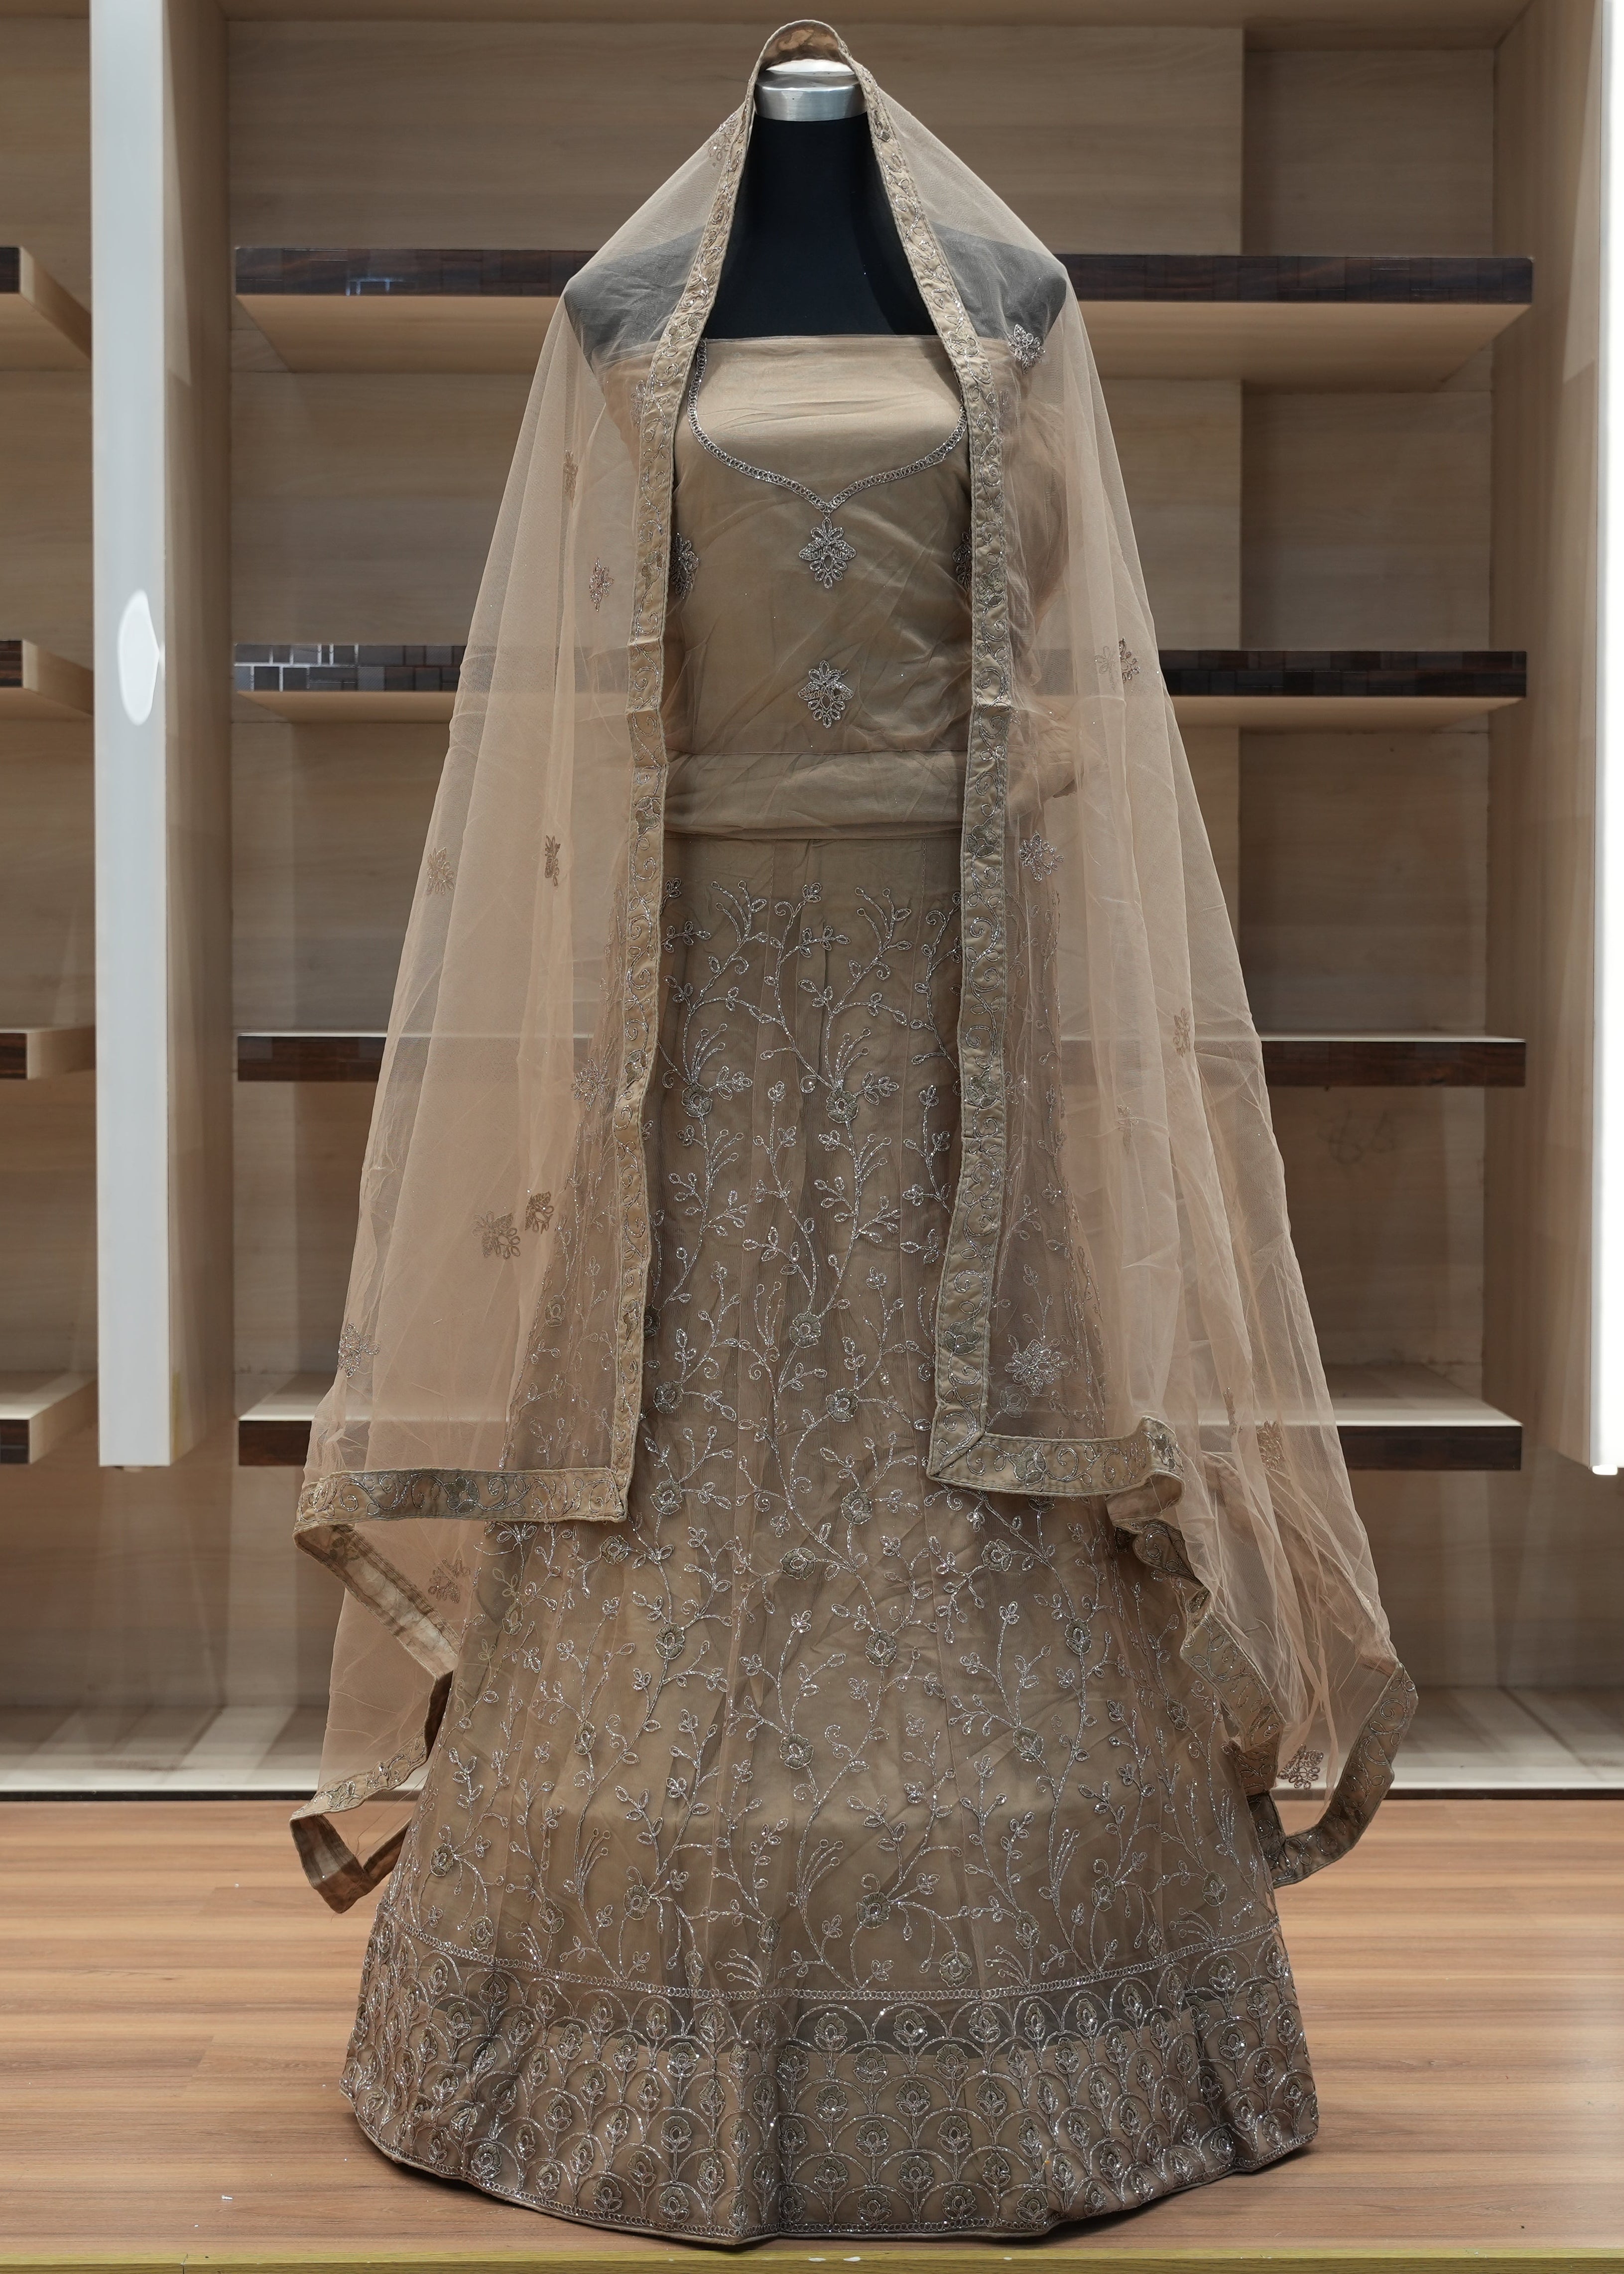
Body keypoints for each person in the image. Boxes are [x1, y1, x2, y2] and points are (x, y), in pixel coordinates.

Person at [292, 20, 1413, 2240]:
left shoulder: (1018, 313)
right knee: (685, 1421)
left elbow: (1076, 661)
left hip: (949, 993)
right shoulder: (620, 316)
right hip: (695, 982)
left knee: (967, 1418)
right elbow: (577, 688)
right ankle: (595, 2024)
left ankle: (1055, 2011)